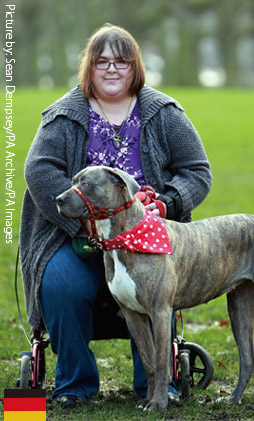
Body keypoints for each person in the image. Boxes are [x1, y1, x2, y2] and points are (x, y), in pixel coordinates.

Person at [20, 24, 212, 406]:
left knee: (157, 291)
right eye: (102, 61)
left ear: (135, 67)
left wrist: (168, 203)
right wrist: (84, 221)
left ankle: (156, 387)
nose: (111, 69)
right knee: (61, 284)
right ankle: (74, 385)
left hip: (147, 235)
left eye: (121, 62)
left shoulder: (165, 113)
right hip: (75, 236)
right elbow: (39, 171)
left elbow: (197, 171)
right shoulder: (63, 115)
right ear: (89, 68)